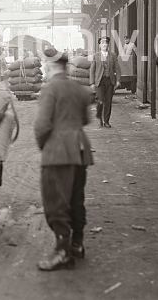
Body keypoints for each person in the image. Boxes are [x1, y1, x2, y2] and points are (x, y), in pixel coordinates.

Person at [34, 49, 93, 271]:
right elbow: (86, 119)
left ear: (50, 67)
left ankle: (62, 252)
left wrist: (45, 146)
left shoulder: (50, 89)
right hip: (80, 149)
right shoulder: (79, 89)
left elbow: (42, 125)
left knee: (56, 201)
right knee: (76, 199)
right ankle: (77, 244)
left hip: (57, 153)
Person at [89, 37, 122, 128]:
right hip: (99, 81)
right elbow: (92, 70)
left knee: (108, 102)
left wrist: (118, 80)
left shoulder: (113, 55)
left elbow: (117, 68)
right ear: (99, 45)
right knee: (100, 101)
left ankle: (106, 121)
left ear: (108, 45)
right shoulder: (96, 56)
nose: (104, 45)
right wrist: (92, 83)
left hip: (110, 81)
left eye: (106, 43)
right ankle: (100, 119)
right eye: (102, 43)